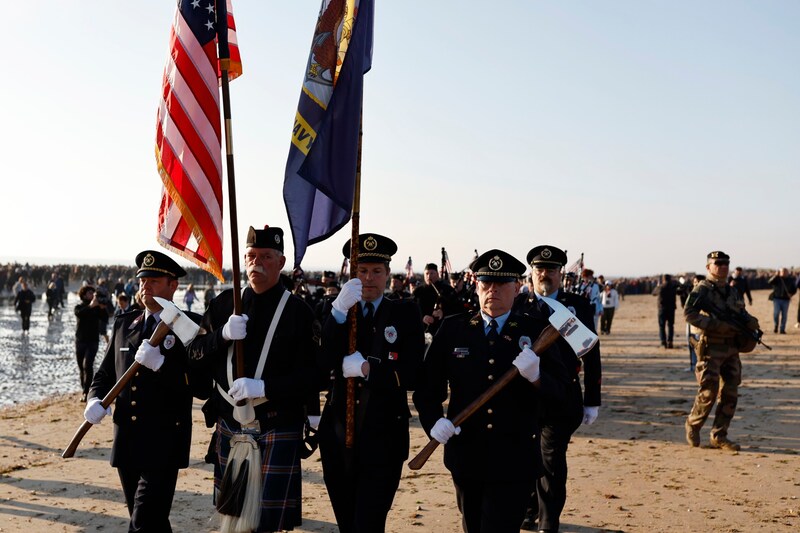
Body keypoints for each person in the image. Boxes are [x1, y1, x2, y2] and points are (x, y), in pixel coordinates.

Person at [413, 249, 570, 533]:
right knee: (472, 526)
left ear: (517, 287)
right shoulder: (454, 329)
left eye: (501, 285)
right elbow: (428, 388)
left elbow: (562, 393)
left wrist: (537, 377)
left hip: (515, 456)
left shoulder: (537, 332)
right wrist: (433, 421)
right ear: (476, 286)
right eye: (486, 284)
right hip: (466, 454)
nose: (492, 291)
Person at [188, 225, 318, 532]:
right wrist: (221, 336)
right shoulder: (222, 305)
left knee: (265, 525)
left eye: (265, 256)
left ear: (281, 262)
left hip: (276, 422)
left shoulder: (299, 312)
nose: (256, 262)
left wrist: (266, 387)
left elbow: (314, 376)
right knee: (232, 519)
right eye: (250, 255)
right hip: (229, 425)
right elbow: (194, 354)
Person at [85, 249, 203, 531]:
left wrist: (162, 365)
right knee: (153, 522)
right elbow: (104, 373)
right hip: (127, 437)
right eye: (142, 280)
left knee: (142, 521)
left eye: (154, 280)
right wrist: (94, 399)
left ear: (173, 285)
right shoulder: (126, 323)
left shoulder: (189, 327)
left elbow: (201, 385)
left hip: (164, 439)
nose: (145, 286)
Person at [317, 233, 425, 532]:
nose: (369, 278)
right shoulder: (334, 309)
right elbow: (320, 363)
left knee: (369, 522)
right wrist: (337, 313)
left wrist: (368, 370)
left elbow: (414, 373)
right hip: (338, 433)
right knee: (346, 522)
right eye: (362, 271)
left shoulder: (405, 312)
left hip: (384, 436)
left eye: (377, 271)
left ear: (388, 274)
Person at [514, 245, 603, 533]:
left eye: (551, 270)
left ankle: (548, 522)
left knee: (551, 459)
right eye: (540, 269)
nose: (545, 275)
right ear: (532, 272)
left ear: (561, 273)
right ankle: (528, 511)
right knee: (526, 455)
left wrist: (592, 399)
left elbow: (591, 352)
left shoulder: (576, 305)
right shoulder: (517, 305)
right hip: (525, 395)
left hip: (562, 395)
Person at [684, 251, 760, 451]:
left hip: (731, 348)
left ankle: (719, 435)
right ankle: (693, 424)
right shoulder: (702, 290)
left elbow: (740, 312)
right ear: (708, 267)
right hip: (711, 347)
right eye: (718, 263)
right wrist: (716, 325)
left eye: (726, 263)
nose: (723, 266)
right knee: (708, 392)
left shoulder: (732, 290)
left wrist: (749, 321)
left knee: (730, 393)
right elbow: (689, 314)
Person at [74, 285, 113, 401]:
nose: (92, 295)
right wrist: (91, 306)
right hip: (80, 341)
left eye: (93, 293)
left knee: (88, 365)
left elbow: (106, 318)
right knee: (81, 367)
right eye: (89, 293)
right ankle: (84, 389)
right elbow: (79, 314)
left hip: (93, 341)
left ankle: (87, 392)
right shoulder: (79, 306)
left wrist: (102, 307)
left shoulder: (97, 308)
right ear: (84, 295)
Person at [413, 262, 456, 335]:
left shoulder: (447, 290)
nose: (429, 276)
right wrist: (422, 317)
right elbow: (412, 310)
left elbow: (456, 307)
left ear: (437, 274)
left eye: (432, 273)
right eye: (427, 274)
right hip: (423, 331)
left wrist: (443, 312)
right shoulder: (418, 292)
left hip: (443, 330)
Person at [652, 274, 679, 348]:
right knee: (670, 326)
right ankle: (670, 341)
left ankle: (663, 342)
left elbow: (653, 293)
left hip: (662, 309)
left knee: (662, 326)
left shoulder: (660, 287)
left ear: (663, 279)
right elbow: (679, 290)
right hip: (671, 309)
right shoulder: (673, 287)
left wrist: (658, 285)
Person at [685, 275, 705, 372]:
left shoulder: (705, 293)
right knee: (691, 343)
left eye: (697, 282)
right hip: (690, 322)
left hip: (700, 324)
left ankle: (700, 365)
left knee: (700, 346)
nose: (695, 284)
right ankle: (693, 364)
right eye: (694, 282)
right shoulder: (692, 293)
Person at [768, 268, 796, 334]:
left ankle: (782, 329)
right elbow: (769, 282)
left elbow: (794, 289)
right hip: (777, 299)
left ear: (787, 273)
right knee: (776, 313)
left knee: (784, 315)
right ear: (780, 272)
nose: (783, 273)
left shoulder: (790, 280)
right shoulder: (777, 279)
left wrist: (791, 294)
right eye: (782, 272)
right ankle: (776, 325)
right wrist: (775, 275)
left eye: (785, 272)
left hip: (786, 300)